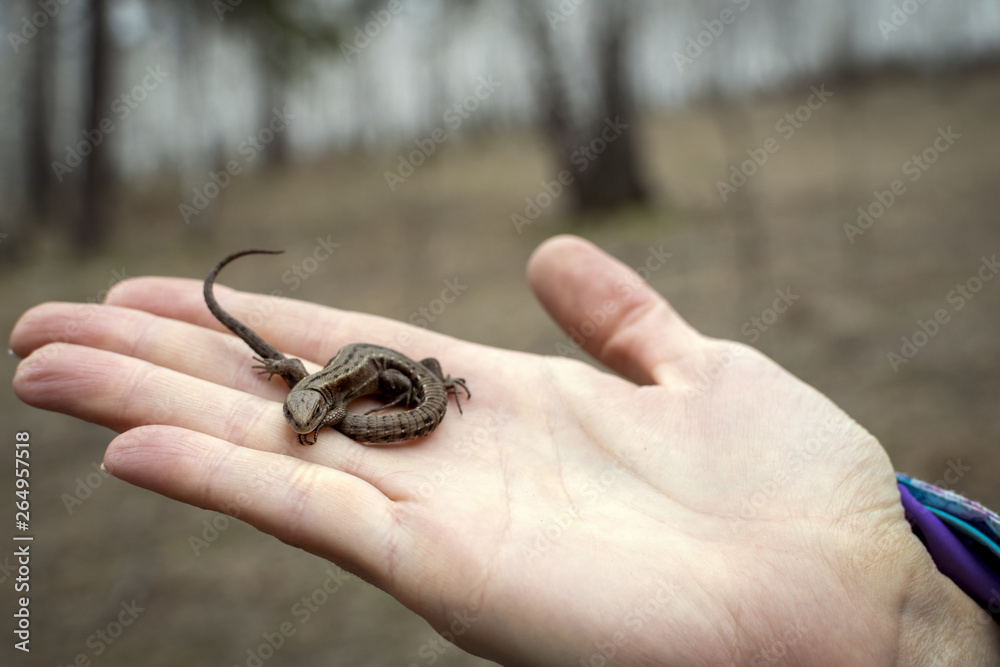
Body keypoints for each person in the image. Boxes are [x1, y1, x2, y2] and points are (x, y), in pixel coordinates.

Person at [10, 235, 1000, 665]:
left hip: (408, 387)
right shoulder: (337, 386)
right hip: (392, 377)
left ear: (318, 388)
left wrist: (914, 627)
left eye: (309, 413)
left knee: (394, 386)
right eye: (307, 414)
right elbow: (344, 389)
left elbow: (382, 391)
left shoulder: (368, 393)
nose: (309, 430)